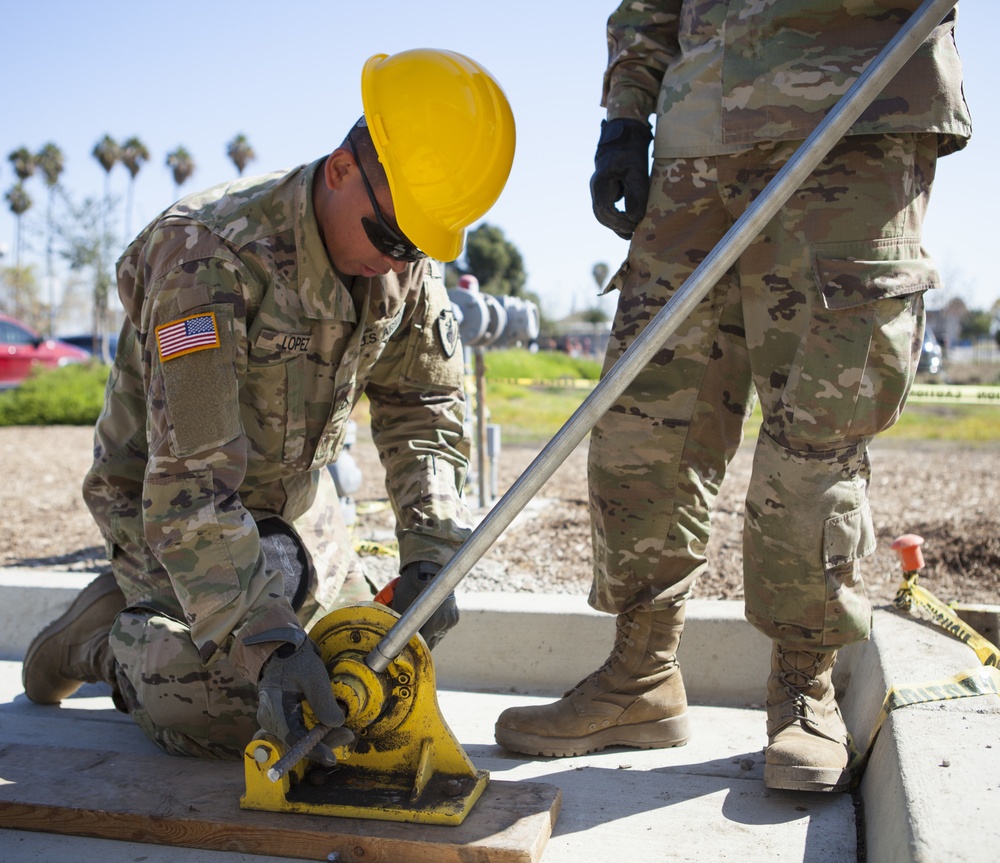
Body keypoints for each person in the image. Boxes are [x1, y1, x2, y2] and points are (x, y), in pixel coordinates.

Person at [495, 1, 970, 793]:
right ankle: (641, 674)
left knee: (816, 425)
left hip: (855, 108)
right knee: (646, 415)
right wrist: (627, 114)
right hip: (699, 128)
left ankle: (803, 688)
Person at [22, 48, 515, 765]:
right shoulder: (207, 257)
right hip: (171, 514)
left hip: (298, 516)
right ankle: (100, 640)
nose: (400, 262)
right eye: (390, 237)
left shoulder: (403, 256)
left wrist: (432, 554)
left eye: (418, 245)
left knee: (360, 682)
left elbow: (423, 406)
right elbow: (190, 487)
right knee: (221, 707)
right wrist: (265, 638)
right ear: (341, 171)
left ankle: (218, 614)